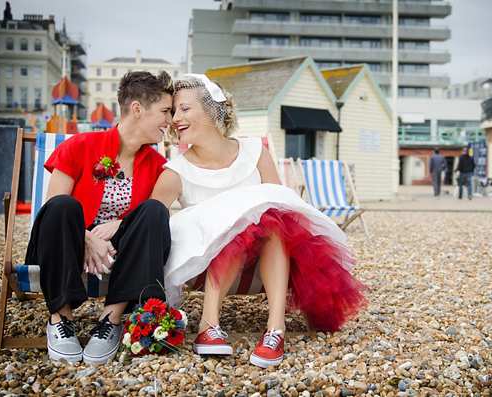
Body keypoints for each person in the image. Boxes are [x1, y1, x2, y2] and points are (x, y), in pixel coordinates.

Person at [151, 74, 368, 369]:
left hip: (259, 268)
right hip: (203, 266)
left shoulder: (255, 153)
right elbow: (148, 223)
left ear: (214, 110)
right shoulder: (174, 172)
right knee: (237, 223)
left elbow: (287, 204)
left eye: (185, 109)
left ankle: (274, 329)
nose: (176, 118)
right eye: (173, 111)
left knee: (273, 219)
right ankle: (208, 325)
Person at [25, 71, 173, 364]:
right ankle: (60, 319)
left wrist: (118, 225)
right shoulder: (80, 145)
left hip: (120, 247)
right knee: (63, 206)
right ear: (137, 109)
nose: (169, 120)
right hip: (69, 240)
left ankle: (111, 319)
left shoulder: (158, 164)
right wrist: (86, 237)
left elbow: (149, 222)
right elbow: (52, 207)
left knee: (155, 211)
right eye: (165, 111)